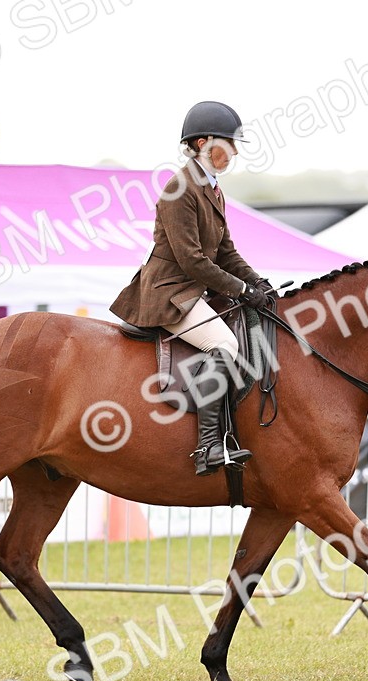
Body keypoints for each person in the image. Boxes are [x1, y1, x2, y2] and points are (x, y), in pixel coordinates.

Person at [110, 100, 272, 476]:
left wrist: (256, 281)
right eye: (228, 144)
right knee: (224, 344)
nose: (234, 152)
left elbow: (226, 252)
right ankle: (208, 446)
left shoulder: (212, 189)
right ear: (203, 144)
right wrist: (241, 290)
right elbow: (192, 260)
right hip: (169, 292)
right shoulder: (179, 188)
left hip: (193, 290)